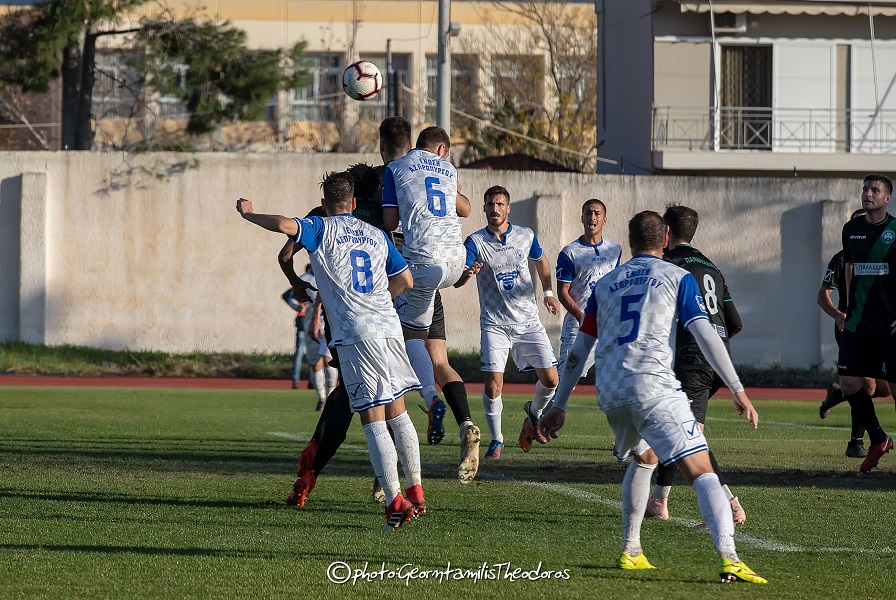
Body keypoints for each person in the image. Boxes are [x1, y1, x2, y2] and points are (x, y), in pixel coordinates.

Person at [539, 211, 766, 584]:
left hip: (611, 389)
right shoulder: (678, 276)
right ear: (665, 240)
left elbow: (580, 350)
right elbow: (707, 334)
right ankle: (730, 559)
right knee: (701, 468)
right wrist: (737, 389)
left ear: (628, 243)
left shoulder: (607, 283)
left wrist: (559, 404)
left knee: (645, 457)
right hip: (653, 385)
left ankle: (631, 551)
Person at [287, 118, 481, 507]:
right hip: (414, 284)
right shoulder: (394, 199)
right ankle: (420, 463)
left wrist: (299, 284)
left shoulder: (326, 217)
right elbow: (458, 208)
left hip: (360, 313)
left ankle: (329, 467)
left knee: (358, 396)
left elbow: (292, 248)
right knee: (406, 382)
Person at [237, 171, 426, 530]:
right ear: (354, 204)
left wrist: (248, 213)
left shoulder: (321, 228)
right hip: (388, 327)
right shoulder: (377, 234)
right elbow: (406, 280)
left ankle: (394, 502)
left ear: (324, 205)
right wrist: (377, 301)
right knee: (398, 412)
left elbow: (281, 225)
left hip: (357, 335)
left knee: (372, 418)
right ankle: (415, 490)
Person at [644, 205, 745, 526]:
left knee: (687, 438)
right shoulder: (713, 268)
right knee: (674, 431)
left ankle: (728, 504)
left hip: (692, 360)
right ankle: (659, 500)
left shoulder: (669, 265)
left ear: (667, 233)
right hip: (717, 357)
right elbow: (735, 322)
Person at [381, 125, 478, 460]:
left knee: (410, 342)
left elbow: (390, 220)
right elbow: (465, 209)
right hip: (456, 262)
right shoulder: (447, 169)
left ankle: (430, 398)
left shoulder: (396, 168)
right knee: (439, 357)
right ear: (441, 151)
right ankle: (465, 421)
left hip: (421, 264)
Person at [454, 185, 562, 460]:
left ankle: (533, 416)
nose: (495, 209)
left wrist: (548, 293)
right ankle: (496, 439)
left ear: (508, 208)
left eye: (500, 204)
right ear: (485, 209)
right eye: (490, 204)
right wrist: (468, 273)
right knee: (493, 385)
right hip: (495, 324)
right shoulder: (476, 242)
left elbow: (542, 261)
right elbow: (459, 278)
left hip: (528, 322)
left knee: (551, 380)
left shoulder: (526, 236)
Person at [817, 208, 891, 458]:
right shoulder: (841, 259)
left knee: (883, 389)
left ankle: (838, 394)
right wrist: (839, 314)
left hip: (880, 326)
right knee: (865, 386)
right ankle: (857, 442)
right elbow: (822, 295)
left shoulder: (885, 254)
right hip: (853, 328)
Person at [838, 174, 896, 473]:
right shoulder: (851, 229)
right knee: (848, 383)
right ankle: (877, 438)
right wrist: (846, 308)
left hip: (890, 327)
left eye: (875, 190)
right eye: (865, 189)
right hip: (859, 323)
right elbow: (849, 268)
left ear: (887, 198)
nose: (868, 193)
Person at [556, 199, 622, 377]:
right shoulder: (570, 252)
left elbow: (616, 285)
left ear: (604, 220)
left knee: (618, 375)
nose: (592, 217)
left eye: (597, 213)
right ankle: (541, 400)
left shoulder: (615, 249)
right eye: (588, 213)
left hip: (607, 323)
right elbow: (562, 293)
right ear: (582, 218)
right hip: (578, 324)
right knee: (566, 378)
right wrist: (581, 317)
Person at [281, 269, 310, 390]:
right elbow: (287, 296)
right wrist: (298, 307)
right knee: (300, 353)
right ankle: (296, 380)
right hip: (304, 321)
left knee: (312, 354)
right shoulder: (303, 282)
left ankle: (312, 380)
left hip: (313, 322)